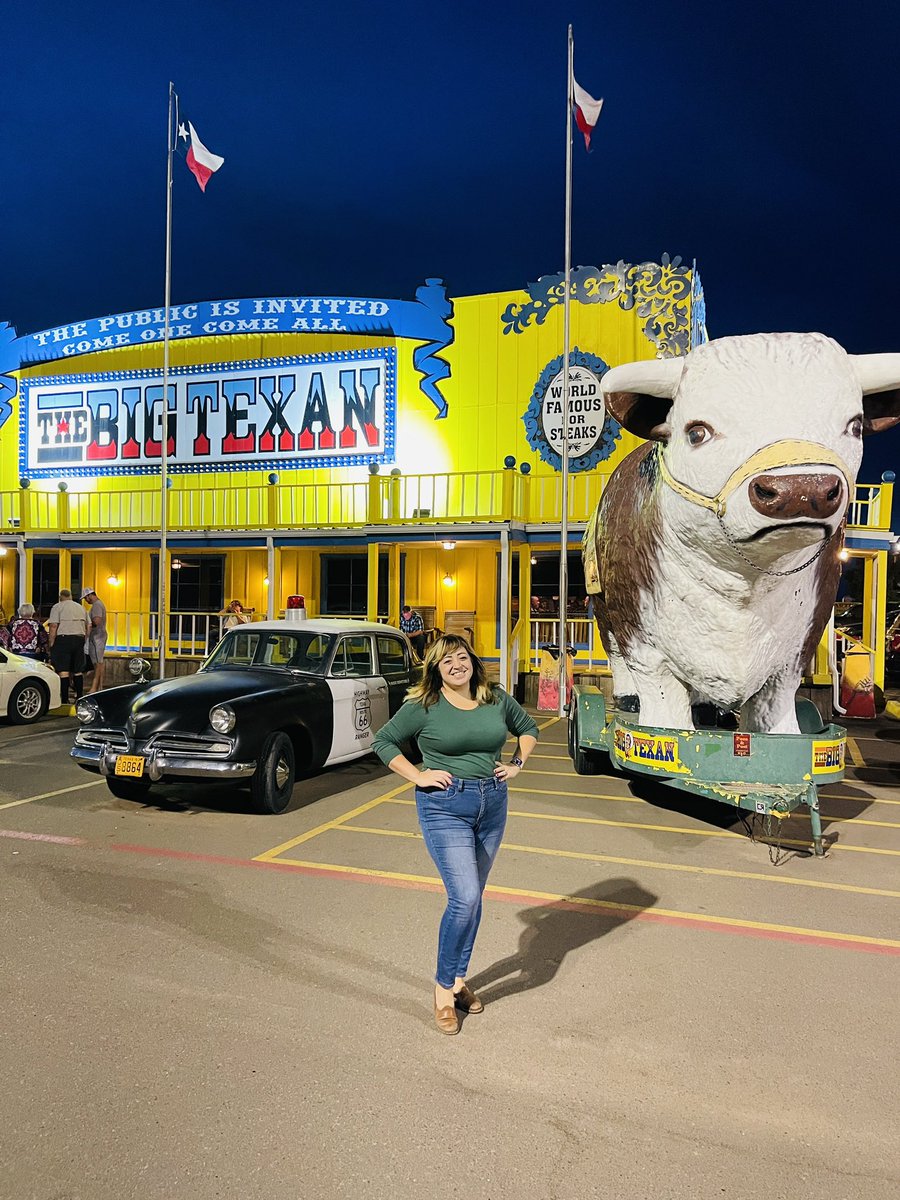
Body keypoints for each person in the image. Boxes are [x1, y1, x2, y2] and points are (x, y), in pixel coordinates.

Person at [373, 634, 538, 1036]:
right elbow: (383, 741)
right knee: (463, 897)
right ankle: (444, 989)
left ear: (472, 661)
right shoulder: (424, 706)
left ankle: (460, 980)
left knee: (474, 897)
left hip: (492, 802)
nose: (456, 665)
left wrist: (516, 762)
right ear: (436, 669)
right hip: (445, 805)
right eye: (446, 661)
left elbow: (528, 727)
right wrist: (418, 775)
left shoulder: (494, 696)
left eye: (461, 657)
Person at [48, 588, 90, 702]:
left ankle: (65, 699)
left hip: (63, 640)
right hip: (79, 639)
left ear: (60, 597)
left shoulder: (57, 607)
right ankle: (80, 696)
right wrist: (84, 638)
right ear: (71, 596)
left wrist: (51, 643)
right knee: (77, 670)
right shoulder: (81, 607)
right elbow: (89, 625)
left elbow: (53, 626)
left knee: (63, 670)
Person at [81, 587, 108, 694]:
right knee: (98, 662)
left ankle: (94, 687)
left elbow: (96, 621)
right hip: (97, 636)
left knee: (97, 663)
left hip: (98, 637)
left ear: (89, 595)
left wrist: (86, 623)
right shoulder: (98, 605)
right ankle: (99, 687)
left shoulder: (97, 605)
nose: (86, 601)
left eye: (85, 598)